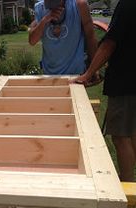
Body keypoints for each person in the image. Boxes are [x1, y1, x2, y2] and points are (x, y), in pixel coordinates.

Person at [71, 0, 136, 182]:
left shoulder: (127, 5)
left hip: (125, 82)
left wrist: (88, 74)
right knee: (131, 131)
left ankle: (127, 186)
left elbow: (109, 43)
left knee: (121, 137)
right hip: (131, 80)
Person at [28, 0, 98, 75]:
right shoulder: (40, 8)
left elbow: (90, 36)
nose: (52, 6)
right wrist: (45, 20)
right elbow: (32, 41)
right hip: (49, 74)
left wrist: (94, 69)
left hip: (75, 73)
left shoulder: (79, 5)